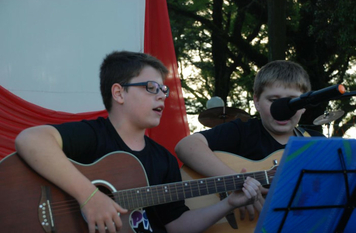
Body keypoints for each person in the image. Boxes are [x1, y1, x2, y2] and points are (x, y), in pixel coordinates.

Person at [15, 50, 263, 233]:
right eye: (151, 88)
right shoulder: (93, 135)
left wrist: (228, 204)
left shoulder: (164, 159)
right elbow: (31, 139)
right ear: (119, 93)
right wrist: (90, 196)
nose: (162, 97)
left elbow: (176, 225)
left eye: (163, 90)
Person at [175, 60, 324, 221]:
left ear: (304, 106)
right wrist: (238, 183)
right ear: (257, 102)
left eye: (292, 101)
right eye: (274, 101)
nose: (283, 109)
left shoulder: (317, 143)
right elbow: (186, 146)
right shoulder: (242, 131)